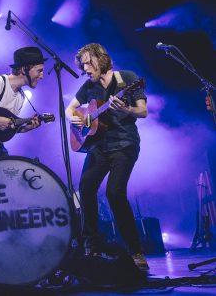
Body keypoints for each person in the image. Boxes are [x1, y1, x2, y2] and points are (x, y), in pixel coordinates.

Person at [65, 43, 149, 271]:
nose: (84, 68)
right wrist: (75, 118)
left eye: (87, 62)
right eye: (82, 64)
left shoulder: (127, 79)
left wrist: (126, 110)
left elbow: (143, 111)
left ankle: (135, 251)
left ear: (100, 60)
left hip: (124, 145)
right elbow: (69, 108)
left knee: (114, 193)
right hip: (99, 147)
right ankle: (91, 248)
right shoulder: (88, 87)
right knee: (86, 187)